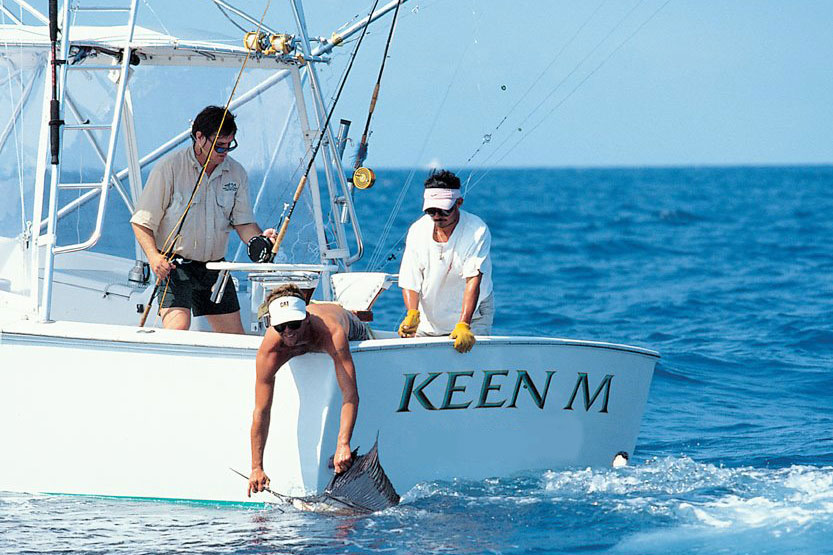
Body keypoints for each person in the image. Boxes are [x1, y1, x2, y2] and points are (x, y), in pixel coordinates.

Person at [130, 106, 275, 333]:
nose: (225, 151)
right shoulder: (169, 168)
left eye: (229, 145)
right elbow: (141, 222)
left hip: (216, 268)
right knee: (178, 328)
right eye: (219, 145)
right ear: (199, 137)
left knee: (235, 338)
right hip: (175, 267)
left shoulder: (236, 173)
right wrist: (154, 257)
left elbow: (243, 223)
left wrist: (260, 240)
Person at [248, 284, 372, 497]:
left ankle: (346, 310)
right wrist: (256, 467)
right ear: (272, 324)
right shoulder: (270, 349)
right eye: (281, 327)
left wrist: (343, 444)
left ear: (305, 318)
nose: (288, 332)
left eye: (294, 324)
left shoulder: (331, 333)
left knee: (364, 336)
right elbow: (261, 411)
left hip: (347, 323)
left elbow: (350, 395)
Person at [397, 169, 494, 353]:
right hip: (431, 317)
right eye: (431, 211)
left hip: (473, 317)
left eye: (443, 210)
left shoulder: (477, 230)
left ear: (459, 202)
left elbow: (473, 280)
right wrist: (412, 313)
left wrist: (464, 324)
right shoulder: (417, 230)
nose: (437, 216)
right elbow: (410, 279)